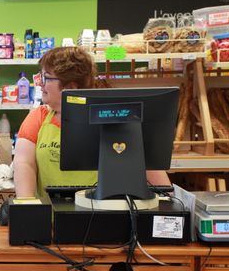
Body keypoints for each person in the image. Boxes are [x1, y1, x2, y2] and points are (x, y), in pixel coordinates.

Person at [14, 46, 170, 198]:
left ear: (70, 86)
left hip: (104, 216)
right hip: (51, 220)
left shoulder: (111, 116)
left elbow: (146, 163)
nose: (39, 84)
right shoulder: (38, 117)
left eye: (45, 77)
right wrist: (26, 204)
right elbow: (24, 163)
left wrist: (170, 202)